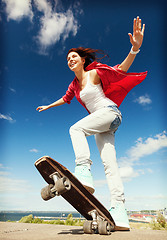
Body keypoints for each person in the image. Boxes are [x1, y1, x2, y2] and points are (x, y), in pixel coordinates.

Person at [37, 16, 147, 230]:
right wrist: (48, 106)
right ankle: (119, 212)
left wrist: (134, 49)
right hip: (103, 125)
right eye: (67, 58)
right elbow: (65, 98)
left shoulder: (94, 73)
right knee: (110, 165)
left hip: (110, 113)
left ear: (82, 59)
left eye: (74, 56)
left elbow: (120, 70)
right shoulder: (74, 86)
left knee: (75, 128)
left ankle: (84, 171)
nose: (70, 60)